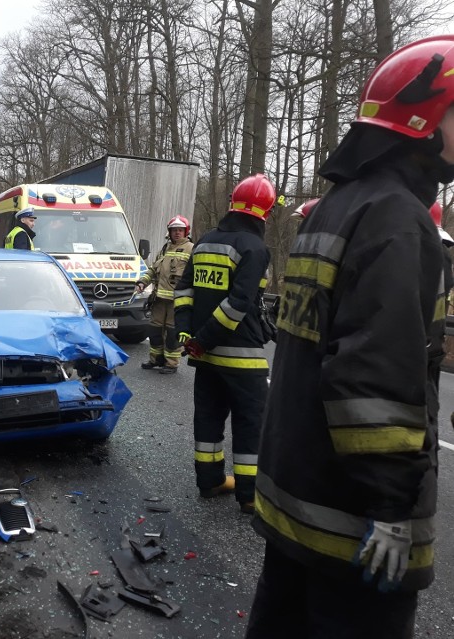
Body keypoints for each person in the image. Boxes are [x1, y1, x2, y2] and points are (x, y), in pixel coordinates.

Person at [246, 36, 454, 639]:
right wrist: (391, 508)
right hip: (355, 529)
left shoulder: (338, 206)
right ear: (421, 120)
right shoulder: (398, 218)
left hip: (295, 502)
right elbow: (374, 377)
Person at [174, 173, 274, 514]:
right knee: (250, 424)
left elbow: (184, 291)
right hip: (242, 359)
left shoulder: (203, 242)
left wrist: (187, 334)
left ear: (232, 203)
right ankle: (249, 495)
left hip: (206, 357)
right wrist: (201, 340)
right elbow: (238, 303)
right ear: (265, 213)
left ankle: (210, 481)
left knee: (208, 418)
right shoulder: (254, 248)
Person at [135, 215, 194, 373]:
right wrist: (142, 282)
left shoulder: (191, 249)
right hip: (159, 299)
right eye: (174, 230)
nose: (177, 233)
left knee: (172, 334)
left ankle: (171, 363)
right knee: (154, 331)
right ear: (170, 231)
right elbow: (154, 269)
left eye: (180, 230)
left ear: (185, 231)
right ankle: (156, 359)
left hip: (178, 301)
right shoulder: (165, 249)